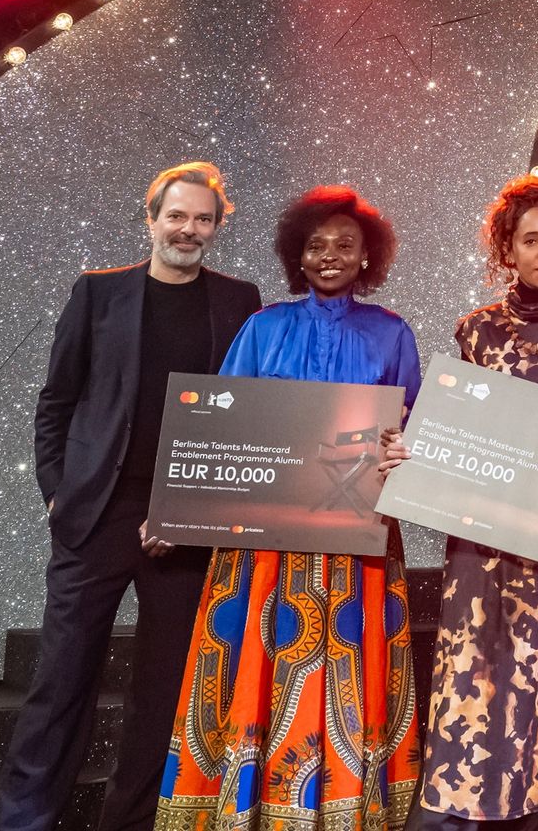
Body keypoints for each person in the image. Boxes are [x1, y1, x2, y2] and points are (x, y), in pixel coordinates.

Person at [0, 163, 260, 831]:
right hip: (96, 515)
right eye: (176, 216)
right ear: (151, 219)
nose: (188, 229)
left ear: (217, 226)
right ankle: (28, 820)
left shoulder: (239, 302)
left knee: (162, 690)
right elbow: (56, 402)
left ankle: (131, 820)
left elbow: (245, 415)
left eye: (203, 219)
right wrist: (59, 496)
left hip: (185, 521)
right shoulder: (97, 292)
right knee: (61, 682)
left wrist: (192, 509)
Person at [156, 185, 422, 830]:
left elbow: (414, 436)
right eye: (316, 245)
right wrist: (177, 507)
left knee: (351, 675)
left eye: (345, 245)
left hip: (357, 544)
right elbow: (219, 428)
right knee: (253, 663)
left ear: (367, 259)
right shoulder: (263, 326)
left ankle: (344, 808)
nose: (330, 255)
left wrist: (402, 448)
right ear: (296, 256)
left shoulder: (391, 334)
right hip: (263, 544)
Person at [405, 174, 538, 830]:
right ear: (508, 250)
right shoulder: (476, 333)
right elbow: (457, 432)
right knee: (478, 682)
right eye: (532, 240)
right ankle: (468, 811)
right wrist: (412, 451)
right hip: (484, 548)